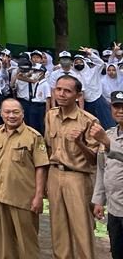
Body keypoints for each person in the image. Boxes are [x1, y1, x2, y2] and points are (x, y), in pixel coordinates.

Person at [0, 97, 50, 259]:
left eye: (15, 112)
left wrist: (38, 197)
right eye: (7, 112)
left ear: (22, 114)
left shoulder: (34, 136)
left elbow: (41, 167)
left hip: (24, 199)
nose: (11, 116)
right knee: (5, 243)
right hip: (0, 196)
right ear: (0, 114)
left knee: (27, 244)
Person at [44, 75, 100, 259]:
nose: (61, 94)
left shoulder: (88, 121)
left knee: (82, 229)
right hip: (54, 174)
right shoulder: (51, 115)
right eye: (58, 89)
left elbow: (94, 160)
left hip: (78, 177)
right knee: (58, 229)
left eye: (67, 91)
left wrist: (80, 143)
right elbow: (48, 147)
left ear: (77, 95)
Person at [93, 90, 123, 259]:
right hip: (114, 208)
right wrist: (99, 199)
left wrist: (107, 143)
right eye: (116, 106)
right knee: (117, 251)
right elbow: (102, 169)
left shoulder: (106, 138)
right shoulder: (109, 134)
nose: (120, 111)